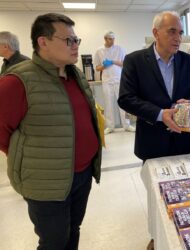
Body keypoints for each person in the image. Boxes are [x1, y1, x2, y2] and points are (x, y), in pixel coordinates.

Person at [0, 13, 102, 249]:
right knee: (54, 241)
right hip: (46, 182)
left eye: (77, 40)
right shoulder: (18, 81)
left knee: (73, 230)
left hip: (82, 174)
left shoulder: (75, 74)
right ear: (43, 42)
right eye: (68, 40)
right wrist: (27, 159)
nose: (75, 45)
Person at [118, 10, 190, 161]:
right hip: (152, 143)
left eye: (180, 32)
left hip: (183, 142)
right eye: (172, 31)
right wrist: (160, 114)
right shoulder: (134, 61)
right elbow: (126, 99)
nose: (178, 38)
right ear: (156, 33)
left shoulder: (188, 61)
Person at [94, 31, 134, 134]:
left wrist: (112, 61)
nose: (112, 41)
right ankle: (110, 127)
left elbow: (124, 63)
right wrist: (104, 66)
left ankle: (127, 125)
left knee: (123, 102)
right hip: (107, 81)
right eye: (110, 39)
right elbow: (97, 68)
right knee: (108, 104)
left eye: (113, 39)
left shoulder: (119, 48)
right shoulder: (99, 50)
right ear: (105, 39)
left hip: (119, 79)